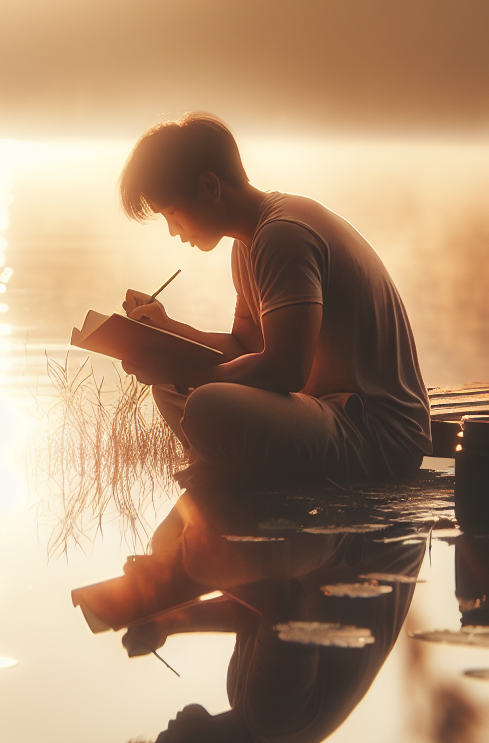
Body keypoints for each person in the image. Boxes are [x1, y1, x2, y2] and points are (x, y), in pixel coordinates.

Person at [119, 112, 431, 485]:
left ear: (209, 186)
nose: (173, 230)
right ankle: (225, 462)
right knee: (167, 386)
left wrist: (188, 376)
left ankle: (227, 467)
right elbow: (244, 346)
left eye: (172, 212)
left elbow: (286, 370)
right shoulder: (248, 244)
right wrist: (168, 332)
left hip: (377, 435)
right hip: (330, 415)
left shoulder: (283, 236)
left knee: (204, 402)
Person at [113, 487, 425, 743]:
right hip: (377, 533)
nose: (166, 728)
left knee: (195, 543)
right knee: (194, 549)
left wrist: (166, 622)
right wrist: (182, 575)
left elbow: (254, 616)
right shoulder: (274, 721)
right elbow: (284, 601)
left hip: (350, 539)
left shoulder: (243, 702)